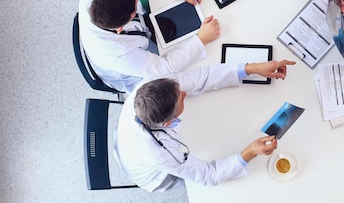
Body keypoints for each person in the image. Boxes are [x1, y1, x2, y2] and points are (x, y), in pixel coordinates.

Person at [114, 59, 295, 192]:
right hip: (148, 172)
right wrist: (249, 153)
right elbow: (209, 176)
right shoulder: (162, 154)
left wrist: (252, 68)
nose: (185, 93)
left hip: (126, 140)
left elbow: (199, 78)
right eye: (182, 99)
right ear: (168, 122)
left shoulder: (150, 86)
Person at [78, 0, 220, 93]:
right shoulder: (120, 54)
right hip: (130, 73)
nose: (137, 0)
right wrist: (201, 40)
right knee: (183, 76)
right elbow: (165, 68)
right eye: (135, 9)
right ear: (120, 29)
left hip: (126, 37)